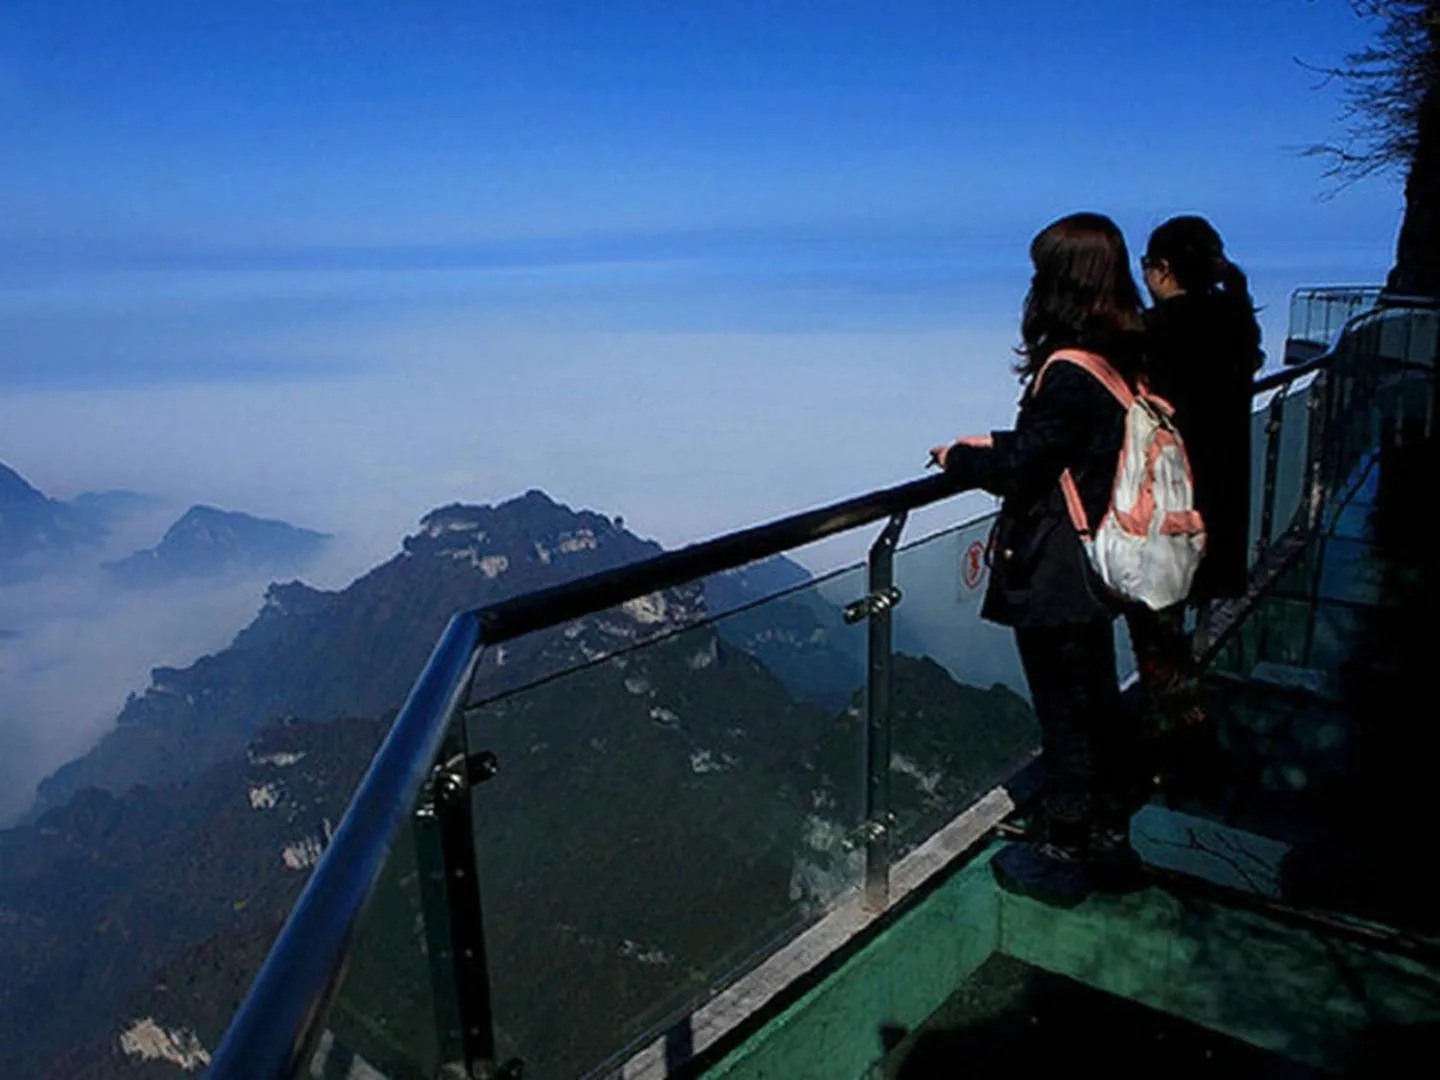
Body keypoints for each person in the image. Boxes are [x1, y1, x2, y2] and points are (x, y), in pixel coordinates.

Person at [929, 212, 1147, 903]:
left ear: (1059, 282)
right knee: (1097, 698)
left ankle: (1063, 852)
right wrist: (995, 440)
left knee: (1066, 710)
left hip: (1057, 568)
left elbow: (1029, 466)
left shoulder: (1068, 370)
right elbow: (1065, 445)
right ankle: (1110, 836)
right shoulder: (1122, 352)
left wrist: (963, 458)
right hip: (1100, 557)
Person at [1130, 216, 1264, 792]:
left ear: (1161, 270)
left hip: (1171, 505)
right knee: (1174, 627)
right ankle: (1180, 741)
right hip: (1221, 496)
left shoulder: (1160, 333)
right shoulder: (1235, 324)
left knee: (1158, 629)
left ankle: (1178, 751)